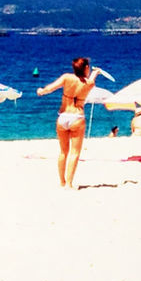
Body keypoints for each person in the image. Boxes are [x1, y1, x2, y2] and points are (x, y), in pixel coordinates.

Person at [37, 57, 98, 189]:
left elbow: (50, 88)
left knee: (63, 152)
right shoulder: (89, 84)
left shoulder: (66, 77)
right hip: (77, 117)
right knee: (75, 152)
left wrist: (41, 91)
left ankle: (62, 182)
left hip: (63, 116)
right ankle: (69, 183)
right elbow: (91, 79)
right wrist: (96, 72)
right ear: (86, 68)